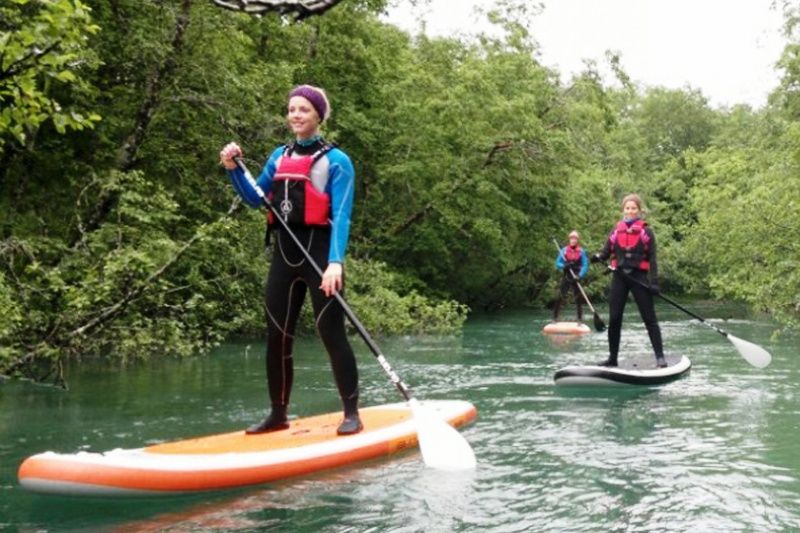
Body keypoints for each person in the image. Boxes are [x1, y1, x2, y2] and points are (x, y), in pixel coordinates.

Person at [219, 84, 362, 435]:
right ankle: (278, 414)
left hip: (320, 254)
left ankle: (351, 414)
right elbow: (256, 199)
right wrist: (232, 168)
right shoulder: (278, 157)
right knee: (278, 334)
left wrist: (336, 262)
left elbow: (341, 215)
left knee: (331, 332)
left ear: (318, 116)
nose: (295, 115)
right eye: (291, 109)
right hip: (285, 253)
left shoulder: (338, 161)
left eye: (304, 109)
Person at [591, 194, 666, 368]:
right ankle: (612, 358)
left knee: (649, 318)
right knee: (615, 318)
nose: (630, 211)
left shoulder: (647, 232)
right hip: (620, 277)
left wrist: (654, 282)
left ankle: (660, 357)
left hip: (639, 278)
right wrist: (595, 257)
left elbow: (653, 259)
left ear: (639, 210)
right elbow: (605, 253)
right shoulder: (616, 231)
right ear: (623, 210)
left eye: (633, 208)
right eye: (627, 208)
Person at [553, 230, 589, 322]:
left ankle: (579, 318)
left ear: (577, 240)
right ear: (569, 240)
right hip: (567, 274)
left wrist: (580, 275)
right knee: (560, 296)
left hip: (576, 275)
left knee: (578, 297)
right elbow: (557, 263)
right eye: (572, 238)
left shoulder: (581, 252)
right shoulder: (564, 251)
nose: (573, 240)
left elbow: (585, 265)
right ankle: (555, 318)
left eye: (575, 239)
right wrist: (564, 266)